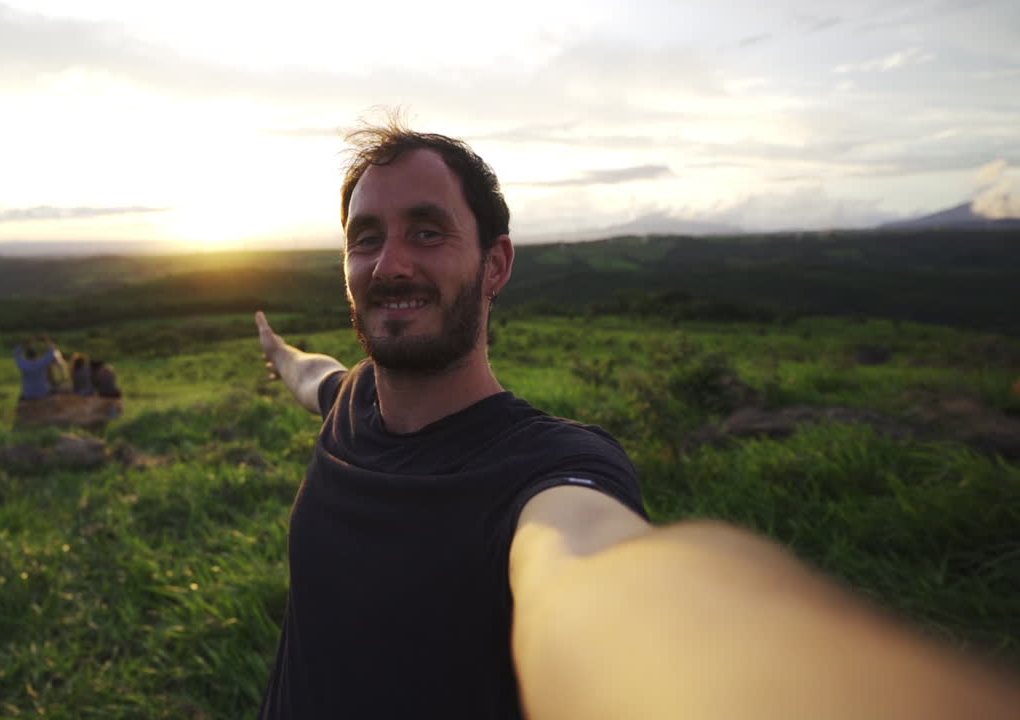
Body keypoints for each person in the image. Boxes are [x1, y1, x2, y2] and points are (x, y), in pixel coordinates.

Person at [253, 119, 1020, 720]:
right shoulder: (351, 403)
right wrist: (280, 352)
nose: (390, 266)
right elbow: (313, 376)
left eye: (428, 231)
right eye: (367, 239)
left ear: (495, 266)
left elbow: (590, 568)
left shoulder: (544, 474)